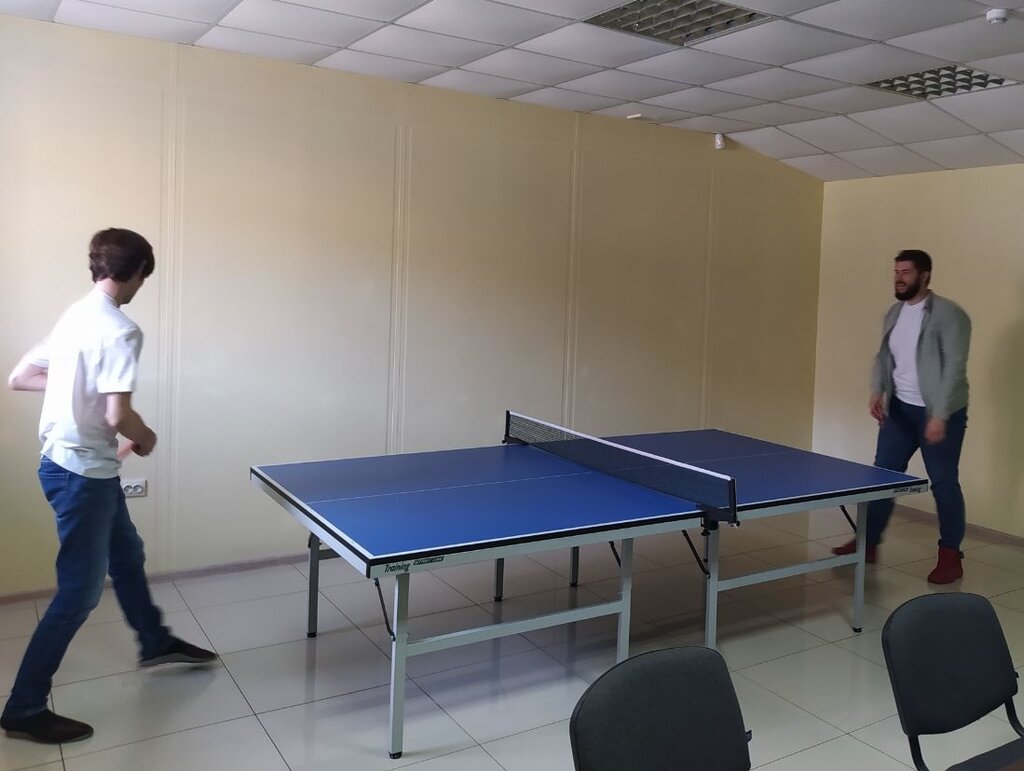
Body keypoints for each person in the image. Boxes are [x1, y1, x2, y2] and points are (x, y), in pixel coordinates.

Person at [2, 228, 216, 744]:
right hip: (82, 475)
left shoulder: (76, 315)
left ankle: (155, 640)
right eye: (145, 275)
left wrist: (80, 397)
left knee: (127, 554)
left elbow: (20, 377)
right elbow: (120, 415)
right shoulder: (120, 330)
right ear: (138, 271)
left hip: (69, 464)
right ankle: (24, 708)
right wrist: (145, 436)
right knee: (78, 594)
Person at [832, 249, 971, 584]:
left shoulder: (950, 314)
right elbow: (883, 357)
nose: (898, 278)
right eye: (896, 272)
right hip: (900, 410)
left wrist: (939, 416)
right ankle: (867, 544)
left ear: (925, 275)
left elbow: (954, 369)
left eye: (906, 272)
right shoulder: (894, 312)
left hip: (940, 412)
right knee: (883, 476)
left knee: (943, 482)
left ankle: (950, 555)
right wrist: (876, 391)